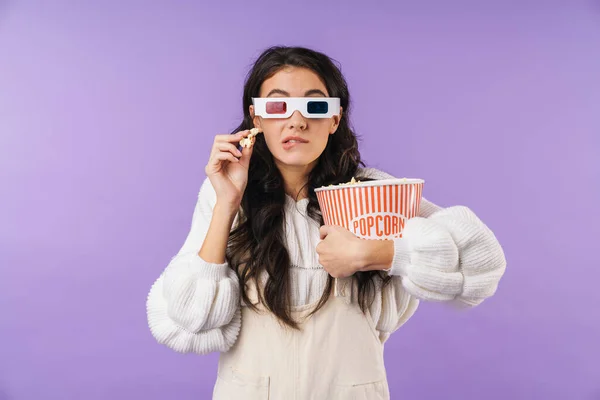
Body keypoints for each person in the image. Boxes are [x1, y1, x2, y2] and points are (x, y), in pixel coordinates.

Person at [146, 46, 507, 399]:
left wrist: (377, 253)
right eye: (277, 105)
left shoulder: (376, 193)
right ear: (256, 119)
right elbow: (192, 320)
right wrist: (227, 204)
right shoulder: (226, 193)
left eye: (315, 105)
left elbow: (481, 264)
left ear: (335, 119)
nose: (297, 120)